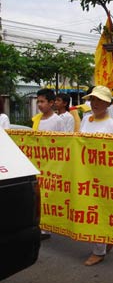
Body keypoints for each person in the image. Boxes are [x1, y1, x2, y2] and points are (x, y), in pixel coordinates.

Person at [80, 85, 113, 266]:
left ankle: (98, 250)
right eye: (92, 99)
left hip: (103, 174)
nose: (95, 103)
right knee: (91, 209)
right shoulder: (85, 120)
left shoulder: (111, 125)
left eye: (99, 100)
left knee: (99, 211)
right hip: (85, 171)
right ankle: (107, 238)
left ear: (107, 103)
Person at [32, 88, 65, 240]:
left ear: (51, 103)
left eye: (42, 101)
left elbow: (63, 142)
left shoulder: (58, 121)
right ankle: (41, 224)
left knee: (49, 195)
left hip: (52, 163)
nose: (40, 104)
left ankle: (48, 228)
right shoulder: (36, 119)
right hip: (38, 163)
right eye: (38, 101)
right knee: (39, 194)